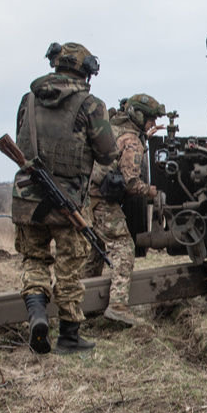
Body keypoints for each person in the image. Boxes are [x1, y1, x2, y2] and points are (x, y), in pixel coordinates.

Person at [12, 42, 118, 355]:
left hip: (26, 199)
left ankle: (38, 315)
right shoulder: (91, 105)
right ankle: (69, 336)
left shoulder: (28, 100)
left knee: (34, 260)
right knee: (70, 268)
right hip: (67, 202)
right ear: (85, 71)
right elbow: (108, 153)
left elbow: (22, 142)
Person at [83, 93, 165, 327]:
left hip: (88, 198)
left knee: (96, 250)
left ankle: (80, 304)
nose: (151, 123)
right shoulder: (131, 140)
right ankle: (117, 306)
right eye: (150, 119)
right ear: (138, 116)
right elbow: (130, 183)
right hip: (101, 201)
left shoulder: (115, 128)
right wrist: (150, 190)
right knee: (123, 245)